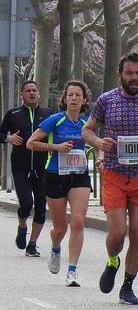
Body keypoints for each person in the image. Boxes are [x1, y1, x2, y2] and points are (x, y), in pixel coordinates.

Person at [82, 52, 138, 305]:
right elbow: (87, 130)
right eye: (129, 73)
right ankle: (112, 261)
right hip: (115, 174)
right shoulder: (106, 100)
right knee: (118, 234)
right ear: (120, 74)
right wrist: (98, 141)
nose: (134, 78)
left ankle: (128, 285)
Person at [26, 81, 92, 286]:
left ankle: (72, 271)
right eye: (70, 95)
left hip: (79, 175)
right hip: (55, 175)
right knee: (60, 228)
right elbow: (31, 142)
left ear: (84, 100)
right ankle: (55, 247)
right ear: (64, 99)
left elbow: (97, 142)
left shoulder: (86, 124)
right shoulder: (56, 119)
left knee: (78, 222)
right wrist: (56, 146)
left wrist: (99, 156)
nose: (74, 98)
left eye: (78, 95)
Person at [1, 80, 51, 256]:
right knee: (26, 203)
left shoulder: (48, 114)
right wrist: (8, 138)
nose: (32, 93)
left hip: (41, 167)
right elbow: (1, 133)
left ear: (38, 93)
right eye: (28, 90)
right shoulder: (13, 114)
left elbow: (57, 133)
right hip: (20, 167)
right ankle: (22, 226)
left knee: (40, 206)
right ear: (21, 94)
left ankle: (32, 244)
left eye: (34, 90)